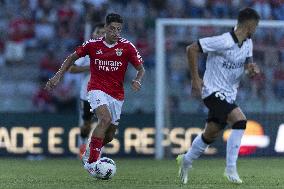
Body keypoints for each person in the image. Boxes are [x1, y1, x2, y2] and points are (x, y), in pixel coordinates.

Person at [45, 13, 145, 174]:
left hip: (117, 94)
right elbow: (71, 58)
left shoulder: (127, 46)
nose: (115, 32)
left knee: (110, 135)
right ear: (106, 28)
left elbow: (141, 69)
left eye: (119, 29)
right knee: (104, 119)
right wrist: (57, 76)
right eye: (112, 28)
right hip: (96, 89)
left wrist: (137, 80)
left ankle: (90, 150)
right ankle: (92, 163)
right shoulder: (92, 45)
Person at [177, 7, 260, 184]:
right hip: (212, 91)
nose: (256, 29)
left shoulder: (248, 42)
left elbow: (248, 65)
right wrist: (195, 78)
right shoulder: (223, 40)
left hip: (229, 95)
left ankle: (186, 160)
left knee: (211, 133)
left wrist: (251, 70)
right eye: (256, 26)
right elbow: (191, 49)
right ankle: (230, 169)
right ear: (250, 25)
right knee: (240, 120)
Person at [69, 23, 105, 159]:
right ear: (94, 34)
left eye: (103, 32)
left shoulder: (115, 50)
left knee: (105, 121)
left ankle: (96, 152)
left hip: (106, 91)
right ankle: (83, 143)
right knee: (87, 124)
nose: (101, 34)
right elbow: (71, 68)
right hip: (88, 92)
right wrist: (90, 67)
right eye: (98, 32)